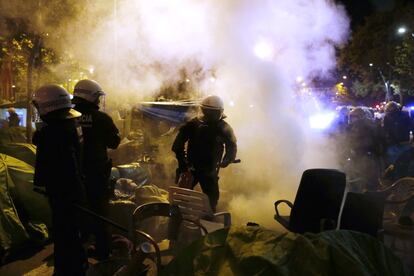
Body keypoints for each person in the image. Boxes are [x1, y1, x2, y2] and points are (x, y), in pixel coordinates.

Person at [32, 84, 87, 275]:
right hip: (73, 191)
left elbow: (61, 165)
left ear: (46, 107)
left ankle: (66, 270)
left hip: (63, 194)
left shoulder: (52, 132)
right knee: (73, 234)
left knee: (64, 235)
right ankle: (77, 266)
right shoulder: (70, 125)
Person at [72, 79, 121, 260]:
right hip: (97, 175)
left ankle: (77, 252)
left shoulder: (66, 116)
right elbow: (114, 142)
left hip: (72, 176)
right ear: (91, 97)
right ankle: (102, 251)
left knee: (76, 214)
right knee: (101, 214)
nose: (99, 101)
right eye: (97, 97)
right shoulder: (101, 118)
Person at [172, 95, 237, 211]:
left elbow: (231, 145)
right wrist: (183, 165)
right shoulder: (193, 125)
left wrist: (227, 159)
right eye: (209, 112)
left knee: (206, 201)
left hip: (205, 170)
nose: (210, 116)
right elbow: (177, 146)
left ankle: (196, 222)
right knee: (184, 199)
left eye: (212, 113)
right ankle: (183, 221)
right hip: (193, 169)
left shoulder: (222, 127)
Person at [382, 101, 413, 165]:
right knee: (404, 161)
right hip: (399, 143)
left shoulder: (388, 116)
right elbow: (385, 129)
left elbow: (385, 130)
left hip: (399, 143)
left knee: (397, 162)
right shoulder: (404, 114)